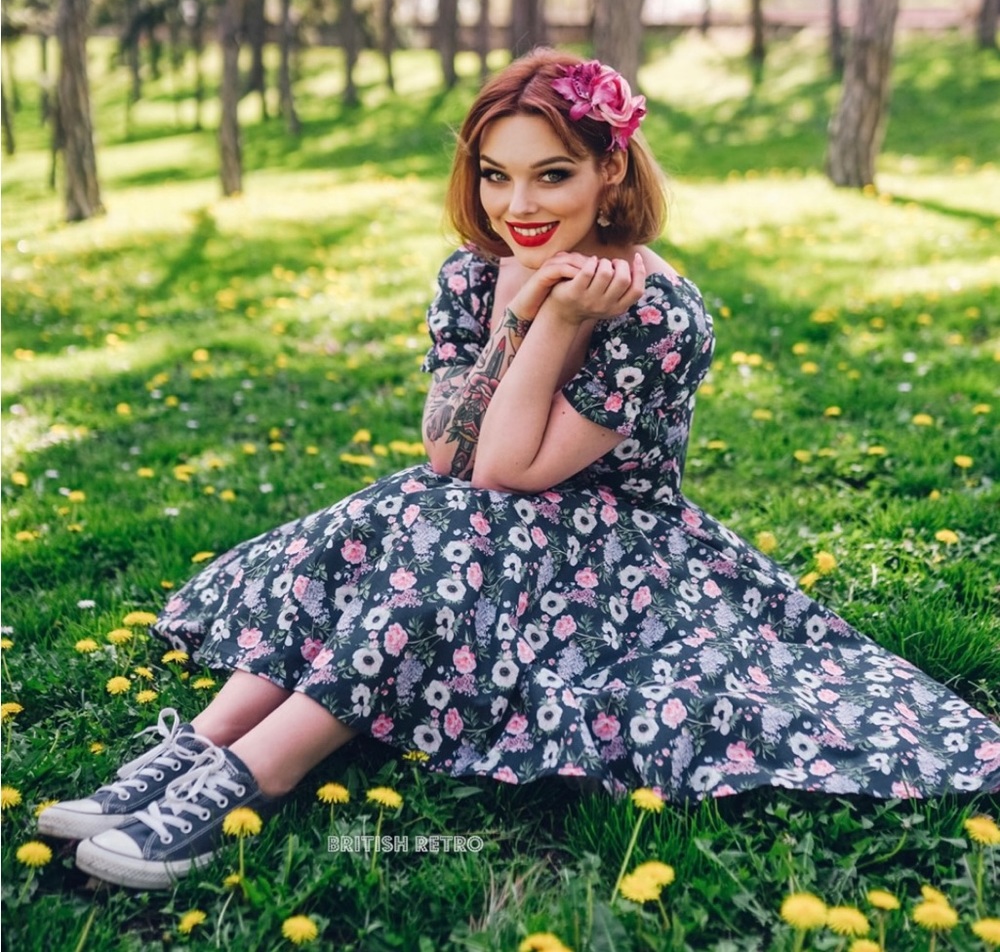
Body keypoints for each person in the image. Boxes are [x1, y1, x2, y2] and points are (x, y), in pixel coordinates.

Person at [39, 48, 1000, 890]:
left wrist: (561, 320)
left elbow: (505, 471)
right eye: (496, 176)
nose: (519, 208)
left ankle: (258, 777)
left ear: (610, 168)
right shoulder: (473, 271)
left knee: (450, 525)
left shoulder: (657, 312)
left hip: (617, 556)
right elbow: (446, 454)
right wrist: (515, 310)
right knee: (414, 510)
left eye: (552, 175)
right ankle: (202, 747)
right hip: (472, 524)